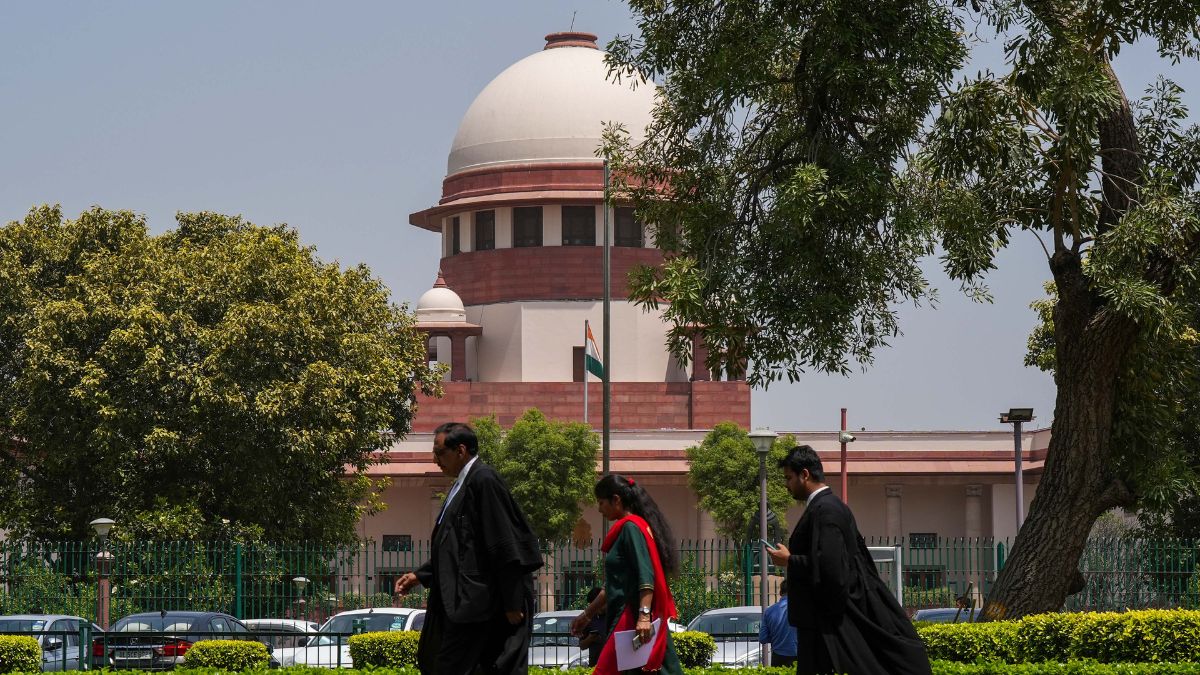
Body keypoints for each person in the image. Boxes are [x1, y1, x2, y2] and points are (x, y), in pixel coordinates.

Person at [766, 445, 932, 675]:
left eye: (789, 478)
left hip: (824, 625)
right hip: (819, 624)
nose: (786, 485)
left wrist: (790, 561)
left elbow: (832, 567)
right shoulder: (826, 507)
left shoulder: (826, 510)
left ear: (805, 474)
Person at [394, 422, 543, 675]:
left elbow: (504, 542)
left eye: (440, 452)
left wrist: (512, 600)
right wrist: (422, 575)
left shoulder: (483, 480)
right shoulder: (462, 485)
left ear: (461, 450)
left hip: (485, 604)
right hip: (467, 602)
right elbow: (461, 547)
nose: (435, 460)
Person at [570, 474, 683, 675]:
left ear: (616, 500)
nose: (599, 509)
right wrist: (587, 615)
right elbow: (612, 585)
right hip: (627, 619)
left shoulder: (631, 528)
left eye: (601, 502)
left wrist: (643, 617)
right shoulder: (633, 527)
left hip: (630, 619)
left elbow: (645, 575)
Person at [758, 580, 797, 667]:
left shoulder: (769, 611)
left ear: (780, 592)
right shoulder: (802, 610)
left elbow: (762, 638)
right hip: (799, 656)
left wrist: (777, 637)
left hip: (778, 657)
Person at [576, 586, 606, 667]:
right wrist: (590, 639)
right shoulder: (589, 620)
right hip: (595, 664)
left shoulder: (614, 617)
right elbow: (582, 646)